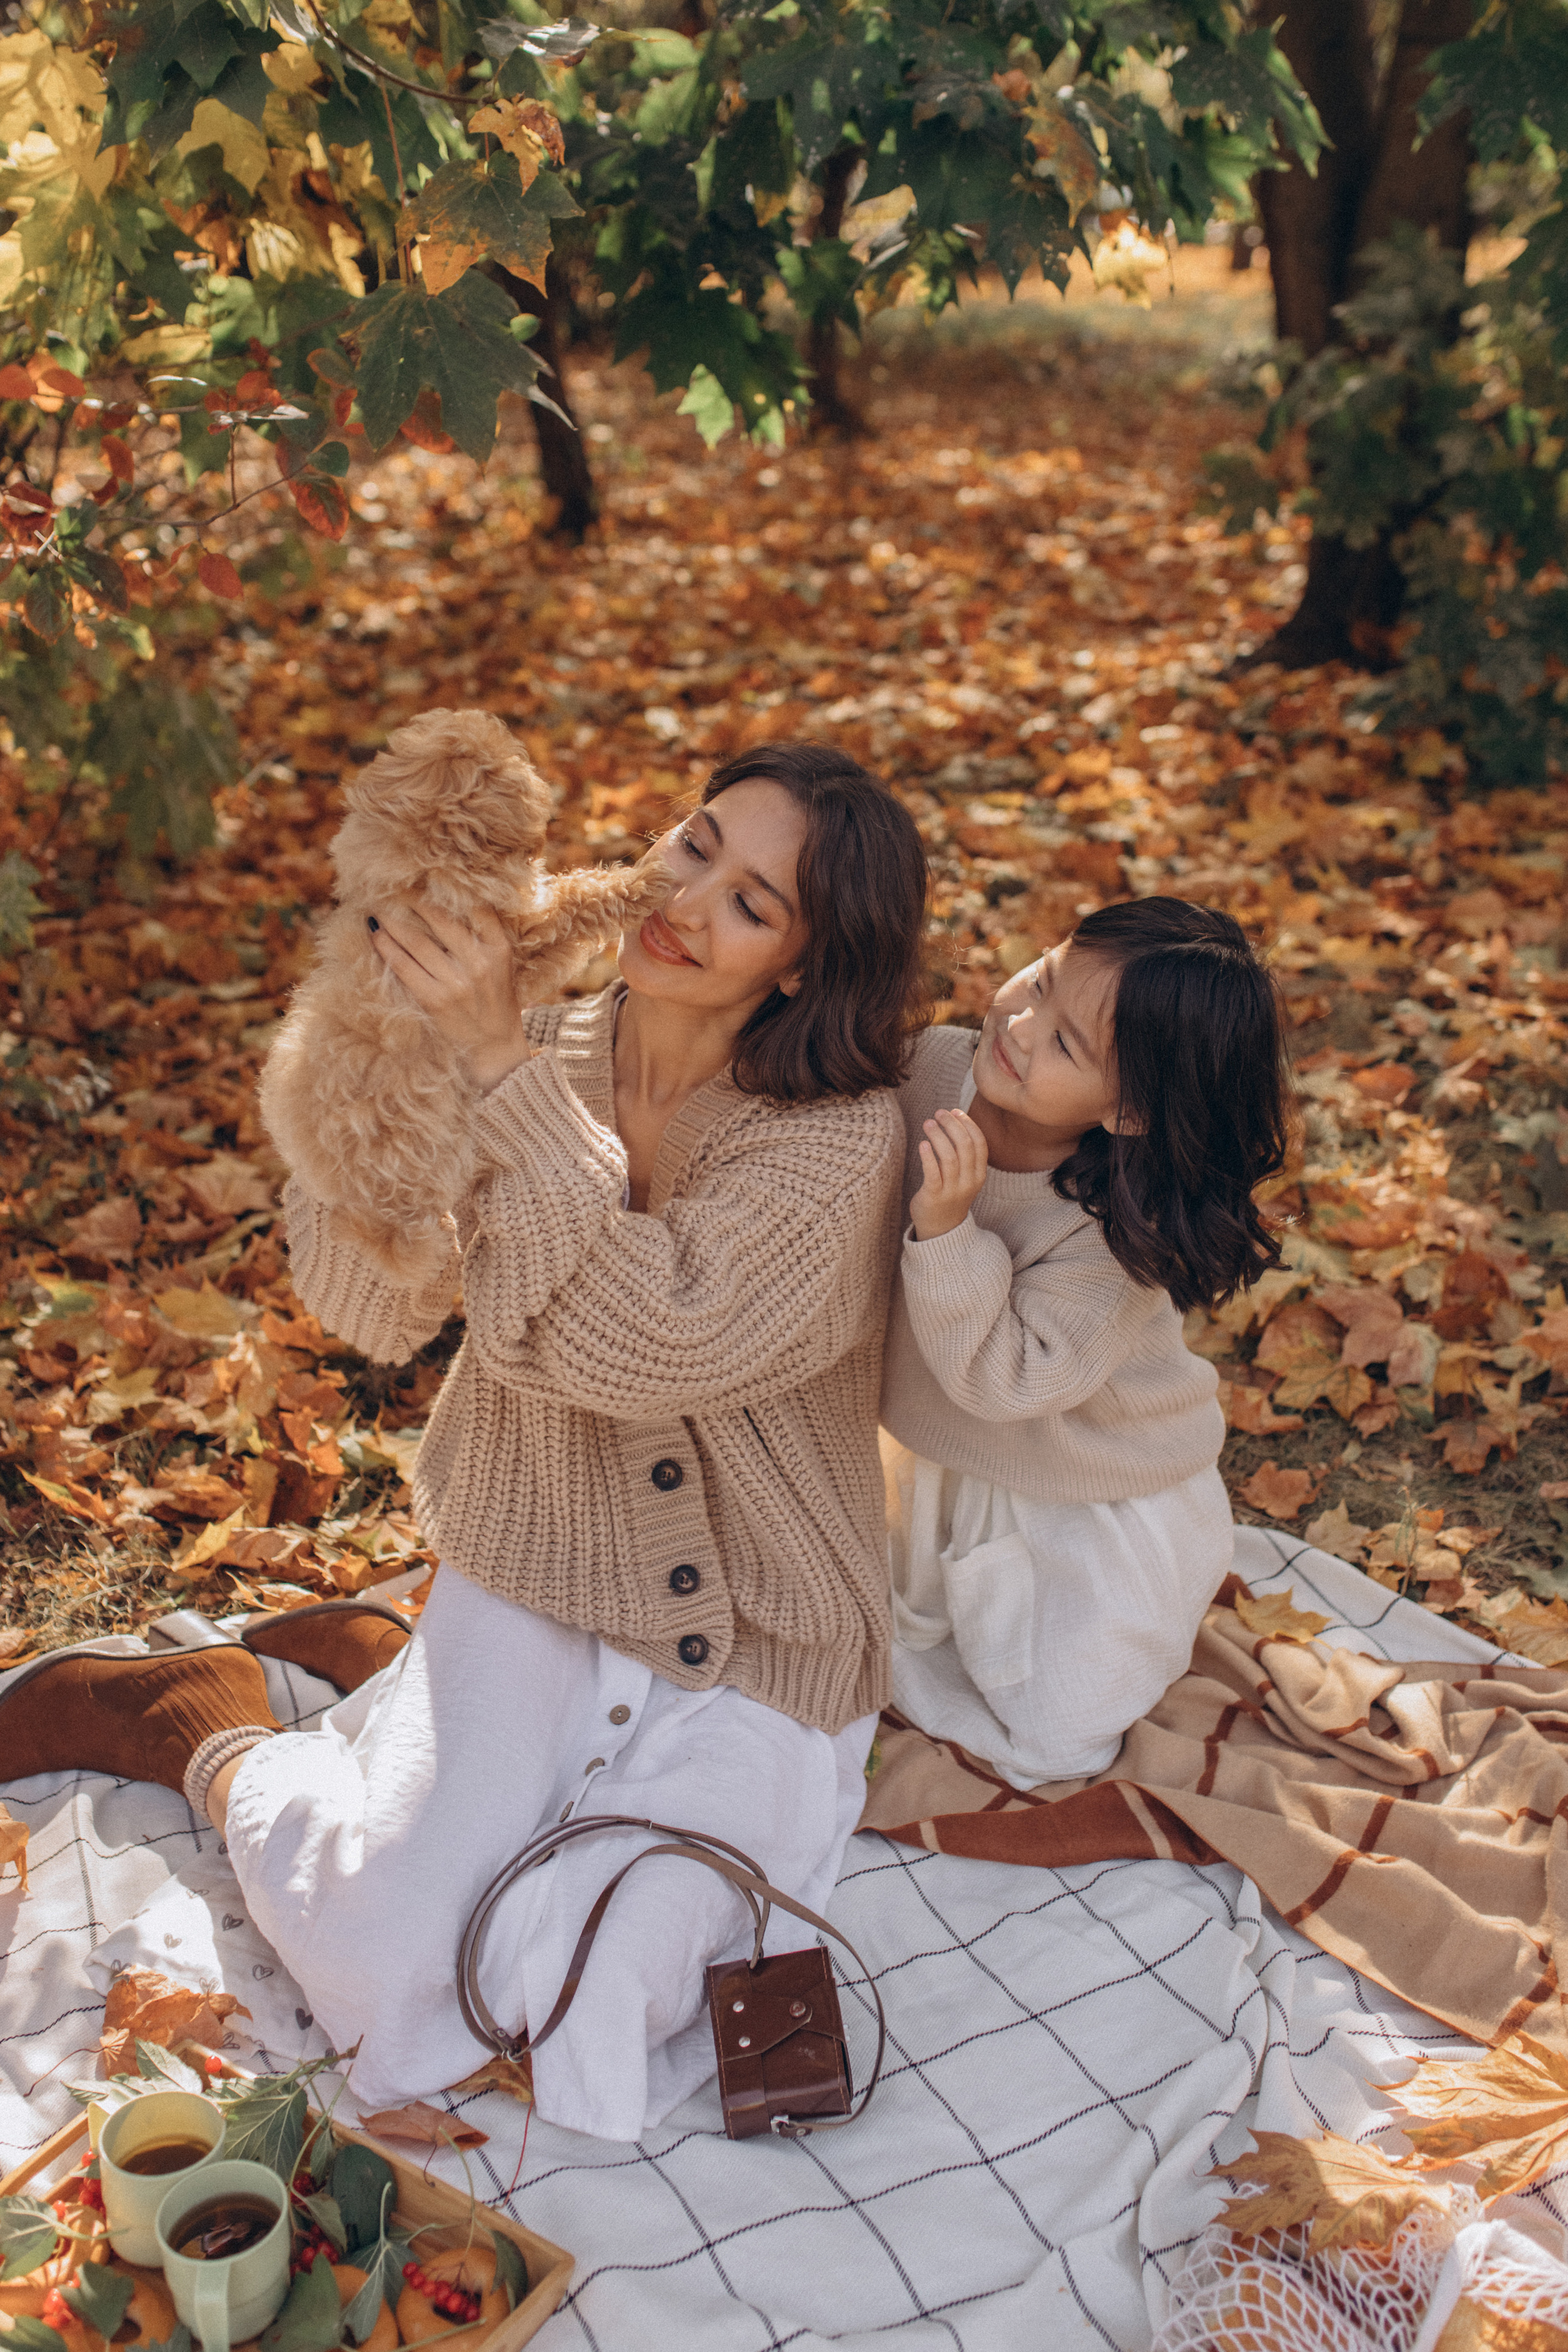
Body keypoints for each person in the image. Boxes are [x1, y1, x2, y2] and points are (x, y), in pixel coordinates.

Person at [2, 742, 929, 2141]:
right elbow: (369, 1310)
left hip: (758, 1628)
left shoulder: (832, 1138)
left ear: (803, 963)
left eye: (752, 901)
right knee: (383, 1969)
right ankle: (211, 1729)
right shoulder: (528, 1045)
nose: (685, 900)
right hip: (540, 1560)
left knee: (590, 1996)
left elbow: (650, 1346)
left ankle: (401, 1701)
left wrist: (497, 1066)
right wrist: (372, 1079)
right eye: (692, 845)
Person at [880, 897, 1289, 1789]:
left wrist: (949, 1232)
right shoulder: (933, 1071)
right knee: (891, 1623)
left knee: (1061, 1731)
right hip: (948, 1454)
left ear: (1131, 1113)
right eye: (1042, 979)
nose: (1020, 1027)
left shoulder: (1111, 1240)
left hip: (1086, 1482)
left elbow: (1014, 1380)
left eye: (1066, 1044)